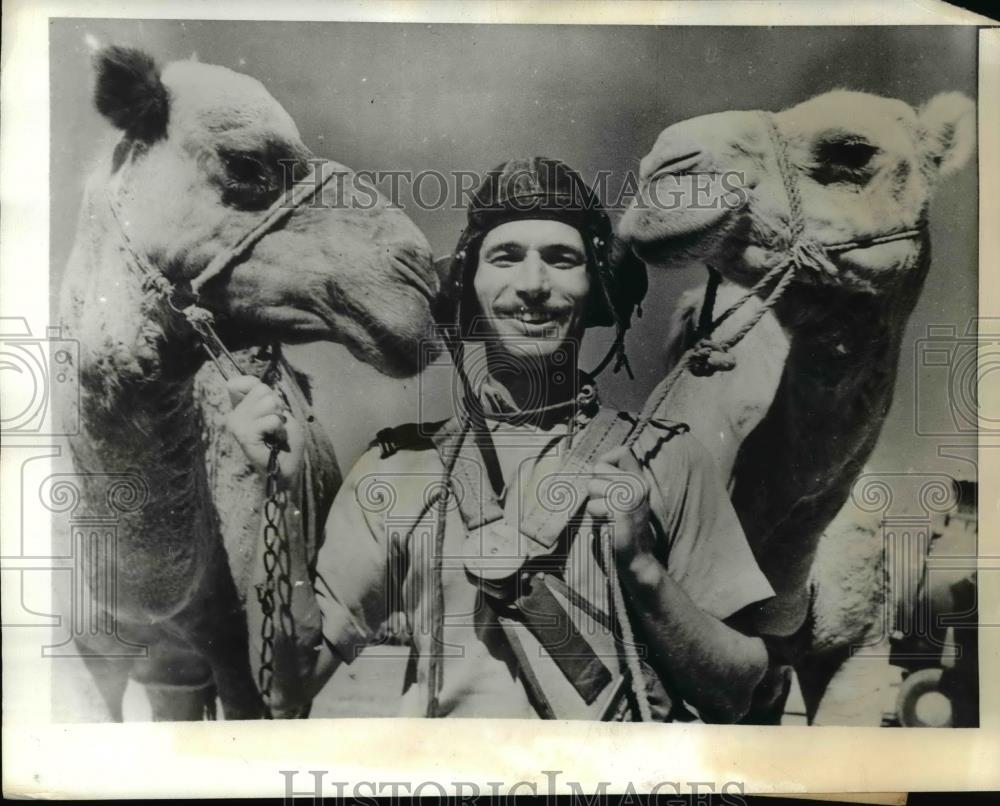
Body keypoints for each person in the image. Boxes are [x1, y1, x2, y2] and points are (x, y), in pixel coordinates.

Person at [226, 157, 774, 721]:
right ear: (470, 288)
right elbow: (284, 688)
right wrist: (281, 494)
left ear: (595, 289)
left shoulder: (665, 459)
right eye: (505, 258)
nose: (533, 285)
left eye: (562, 260)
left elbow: (736, 693)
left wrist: (642, 569)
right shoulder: (395, 471)